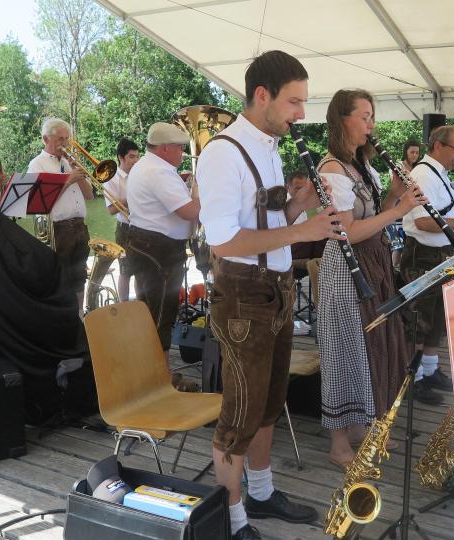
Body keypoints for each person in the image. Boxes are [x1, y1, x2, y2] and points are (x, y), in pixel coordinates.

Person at [197, 50, 341, 540]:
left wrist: (299, 207)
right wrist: (305, 231)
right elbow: (224, 241)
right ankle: (231, 519)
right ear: (263, 96)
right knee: (239, 415)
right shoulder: (222, 152)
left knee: (270, 403)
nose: (301, 113)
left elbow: (266, 224)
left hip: (275, 289)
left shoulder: (269, 146)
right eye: (294, 102)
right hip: (243, 296)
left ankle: (260, 490)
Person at [316, 89, 427, 468]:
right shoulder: (331, 170)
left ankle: (363, 427)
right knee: (346, 348)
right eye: (364, 116)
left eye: (372, 116)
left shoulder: (361, 166)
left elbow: (374, 214)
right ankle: (338, 444)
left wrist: (396, 195)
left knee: (375, 344)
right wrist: (401, 211)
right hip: (346, 268)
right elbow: (347, 231)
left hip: (374, 262)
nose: (371, 124)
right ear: (342, 120)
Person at [399, 125, 454, 405]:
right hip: (421, 254)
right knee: (419, 320)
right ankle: (414, 379)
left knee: (436, 318)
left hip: (441, 252)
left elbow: (440, 212)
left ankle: (431, 371)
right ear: (437, 147)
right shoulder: (422, 173)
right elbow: (422, 221)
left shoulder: (440, 173)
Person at [125, 122, 197, 356]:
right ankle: (160, 378)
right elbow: (188, 211)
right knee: (161, 316)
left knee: (148, 312)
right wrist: (203, 192)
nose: (182, 153)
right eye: (178, 148)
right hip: (160, 252)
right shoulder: (158, 171)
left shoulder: (145, 165)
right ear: (164, 148)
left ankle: (153, 373)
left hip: (148, 246)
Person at [26, 118, 94, 312]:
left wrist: (78, 173)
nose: (64, 144)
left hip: (80, 227)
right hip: (58, 230)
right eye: (59, 139)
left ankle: (79, 317)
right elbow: (38, 204)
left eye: (67, 139)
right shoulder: (37, 165)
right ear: (45, 139)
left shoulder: (68, 162)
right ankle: (62, 319)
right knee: (60, 280)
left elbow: (89, 196)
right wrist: (67, 180)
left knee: (79, 277)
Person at [101, 137, 140, 300]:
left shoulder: (140, 174)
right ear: (121, 157)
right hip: (125, 229)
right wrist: (130, 196)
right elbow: (110, 210)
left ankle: (140, 305)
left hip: (141, 226)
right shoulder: (111, 177)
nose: (136, 160)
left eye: (137, 156)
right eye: (131, 157)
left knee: (140, 270)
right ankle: (124, 305)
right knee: (126, 271)